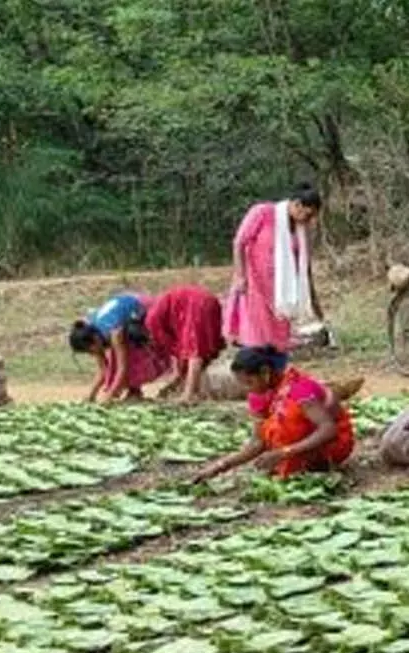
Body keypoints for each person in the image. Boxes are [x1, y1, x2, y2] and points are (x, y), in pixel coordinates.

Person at [192, 346, 354, 481]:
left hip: (330, 449)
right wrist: (220, 466)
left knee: (287, 420)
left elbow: (328, 429)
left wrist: (284, 452)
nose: (249, 389)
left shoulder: (298, 389)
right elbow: (258, 443)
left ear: (265, 372)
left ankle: (306, 464)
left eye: (250, 382)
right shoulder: (262, 396)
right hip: (297, 450)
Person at [226, 185, 324, 351]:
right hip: (255, 280)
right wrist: (240, 275)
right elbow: (239, 243)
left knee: (280, 324)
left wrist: (313, 298)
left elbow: (304, 263)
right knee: (257, 328)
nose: (307, 220)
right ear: (297, 204)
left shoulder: (300, 229)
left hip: (282, 286)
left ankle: (276, 350)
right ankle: (255, 353)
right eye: (306, 214)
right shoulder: (263, 213)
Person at [69, 293, 169, 403]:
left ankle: (135, 391)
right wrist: (90, 396)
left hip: (144, 308)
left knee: (131, 354)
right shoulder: (92, 332)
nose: (92, 354)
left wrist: (109, 396)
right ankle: (133, 390)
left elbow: (123, 368)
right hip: (126, 318)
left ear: (95, 339)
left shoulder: (114, 332)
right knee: (114, 361)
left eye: (90, 351)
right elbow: (103, 370)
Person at [146, 285, 227, 403]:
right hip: (209, 301)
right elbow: (178, 355)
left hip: (195, 305)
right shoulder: (161, 317)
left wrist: (175, 378)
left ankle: (188, 395)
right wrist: (174, 382)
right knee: (199, 350)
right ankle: (195, 391)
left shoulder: (152, 323)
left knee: (195, 351)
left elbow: (183, 353)